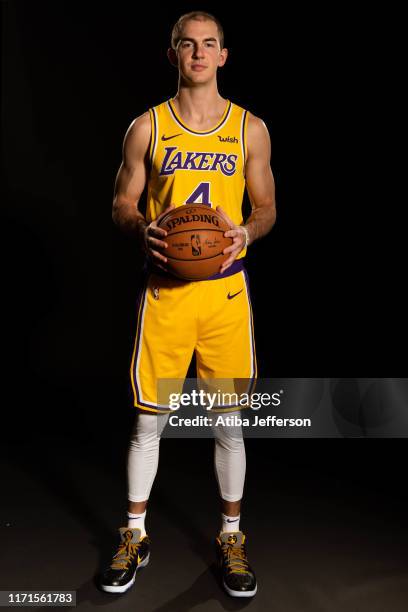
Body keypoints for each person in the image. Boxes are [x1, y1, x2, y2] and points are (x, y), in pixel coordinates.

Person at [99, 10, 276, 599]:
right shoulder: (146, 127)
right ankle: (134, 533)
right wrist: (141, 226)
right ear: (172, 53)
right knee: (150, 418)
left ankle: (231, 535)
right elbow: (122, 202)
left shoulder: (250, 128)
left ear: (223, 55)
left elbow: (266, 208)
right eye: (187, 44)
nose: (198, 53)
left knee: (228, 421)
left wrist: (246, 234)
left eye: (209, 44)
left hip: (225, 293)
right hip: (165, 295)